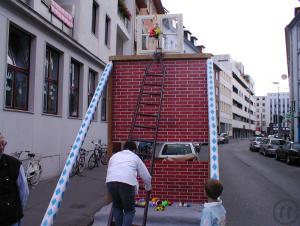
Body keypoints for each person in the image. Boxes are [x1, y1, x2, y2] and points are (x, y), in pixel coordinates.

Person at [106, 141, 152, 226]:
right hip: (126, 183)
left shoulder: (114, 156)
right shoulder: (135, 157)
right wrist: (148, 187)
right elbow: (147, 177)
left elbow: (110, 170)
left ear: (124, 148)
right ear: (134, 150)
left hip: (110, 181)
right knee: (129, 210)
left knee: (117, 207)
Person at [0, 133, 29, 226]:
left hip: (11, 219)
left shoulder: (15, 165)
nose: (1, 147)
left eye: (3, 144)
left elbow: (24, 192)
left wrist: (15, 210)